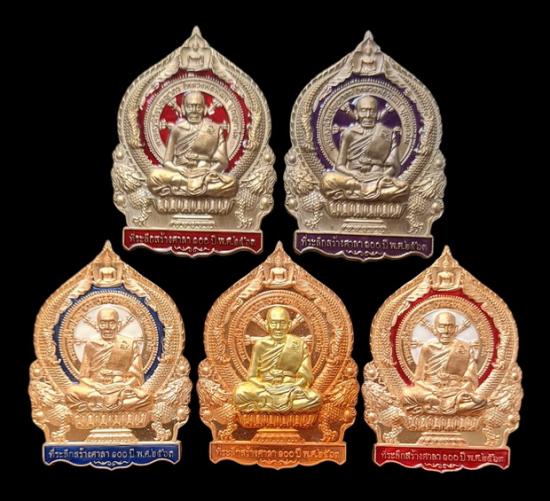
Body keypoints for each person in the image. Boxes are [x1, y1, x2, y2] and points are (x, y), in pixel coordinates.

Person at [148, 91, 237, 197]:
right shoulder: (177, 129)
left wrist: (208, 173)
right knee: (153, 177)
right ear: (183, 108)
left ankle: (183, 189)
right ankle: (196, 188)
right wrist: (177, 169)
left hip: (204, 174)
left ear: (204, 109)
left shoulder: (215, 130)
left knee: (232, 183)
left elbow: (223, 163)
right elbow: (167, 162)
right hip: (181, 174)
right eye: (190, 107)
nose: (194, 111)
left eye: (198, 107)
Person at [320, 95, 408, 201]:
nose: (368, 115)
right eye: (363, 111)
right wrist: (352, 173)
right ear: (356, 113)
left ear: (377, 113)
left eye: (372, 111)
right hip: (353, 178)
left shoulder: (387, 134)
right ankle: (366, 192)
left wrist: (383, 176)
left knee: (404, 188)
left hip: (378, 178)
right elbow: (339, 165)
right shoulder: (349, 133)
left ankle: (355, 194)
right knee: (327, 180)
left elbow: (394, 166)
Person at [235, 306, 321, 413]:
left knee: (315, 398)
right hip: (265, 388)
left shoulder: (298, 344)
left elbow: (306, 377)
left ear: (289, 324)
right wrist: (263, 385)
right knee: (240, 393)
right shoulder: (260, 345)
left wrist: (293, 385)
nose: (278, 327)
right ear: (267, 325)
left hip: (290, 388)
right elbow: (251, 376)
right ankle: (282, 406)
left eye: (282, 323)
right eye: (274, 323)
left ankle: (265, 406)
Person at [402, 311, 486, 415]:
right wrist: (431, 389)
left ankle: (430, 408)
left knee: (481, 402)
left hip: (455, 391)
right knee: (406, 395)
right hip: (431, 391)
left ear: (455, 328)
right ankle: (444, 407)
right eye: (442, 327)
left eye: (450, 327)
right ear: (435, 328)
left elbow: (471, 380)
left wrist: (460, 391)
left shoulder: (465, 348)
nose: (446, 331)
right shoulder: (427, 347)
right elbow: (418, 380)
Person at [66, 307, 150, 411]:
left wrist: (122, 386)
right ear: (98, 325)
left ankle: (99, 404)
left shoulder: (129, 344)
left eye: (112, 323)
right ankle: (106, 402)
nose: (107, 328)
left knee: (147, 397)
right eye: (103, 323)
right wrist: (95, 385)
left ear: (118, 325)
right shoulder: (91, 345)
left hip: (121, 389)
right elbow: (83, 377)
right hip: (96, 390)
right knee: (70, 393)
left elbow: (137, 377)